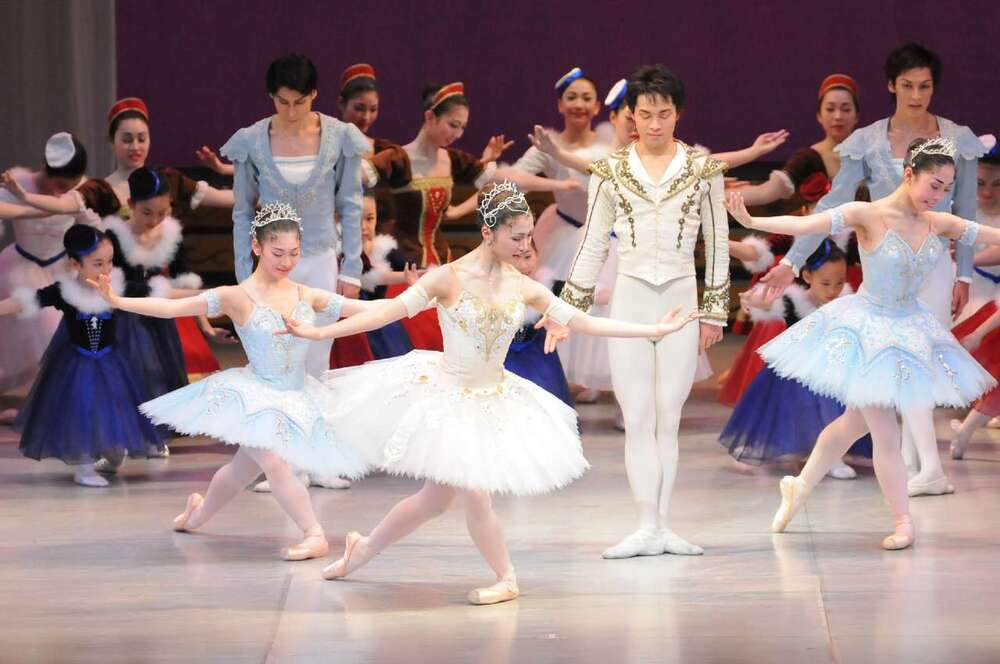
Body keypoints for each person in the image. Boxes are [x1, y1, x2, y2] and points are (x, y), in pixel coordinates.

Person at [279, 180, 699, 604]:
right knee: (475, 494)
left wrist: (653, 329)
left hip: (491, 399)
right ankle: (506, 576)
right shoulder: (448, 278)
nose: (525, 246)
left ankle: (364, 549)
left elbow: (585, 321)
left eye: (528, 236)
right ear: (488, 233)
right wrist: (320, 332)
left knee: (432, 501)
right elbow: (383, 314)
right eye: (516, 237)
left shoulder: (523, 285)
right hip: (448, 396)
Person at [724, 136, 998, 550]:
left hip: (909, 328)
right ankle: (903, 521)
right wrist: (753, 220)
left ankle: (799, 486)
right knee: (885, 431)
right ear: (910, 175)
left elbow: (989, 233)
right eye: (934, 185)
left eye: (946, 187)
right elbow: (808, 225)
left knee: (852, 424)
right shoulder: (867, 214)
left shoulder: (938, 221)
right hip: (868, 331)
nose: (940, 195)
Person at [88, 203, 382, 559]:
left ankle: (197, 515)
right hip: (255, 399)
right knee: (274, 463)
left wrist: (422, 300)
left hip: (296, 395)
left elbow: (366, 310)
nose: (287, 261)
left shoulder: (307, 295)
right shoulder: (236, 296)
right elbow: (171, 308)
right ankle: (313, 533)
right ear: (257, 246)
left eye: (293, 253)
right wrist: (116, 300)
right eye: (278, 253)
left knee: (240, 471)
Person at [756, 43, 985, 497]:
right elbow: (832, 205)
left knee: (918, 361)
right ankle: (917, 465)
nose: (916, 95)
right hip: (886, 264)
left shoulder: (957, 138)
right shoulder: (868, 140)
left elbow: (965, 211)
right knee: (894, 367)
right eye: (907, 85)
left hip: (931, 262)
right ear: (890, 85)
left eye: (925, 86)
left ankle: (923, 465)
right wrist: (792, 260)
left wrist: (963, 274)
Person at [0, 225, 163, 486]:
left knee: (115, 411)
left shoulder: (117, 286)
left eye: (110, 261)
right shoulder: (65, 291)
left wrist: (212, 297)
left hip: (111, 363)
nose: (106, 269)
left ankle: (110, 458)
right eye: (98, 263)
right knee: (84, 410)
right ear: (75, 264)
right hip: (77, 364)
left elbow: (158, 293)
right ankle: (84, 467)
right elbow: (24, 301)